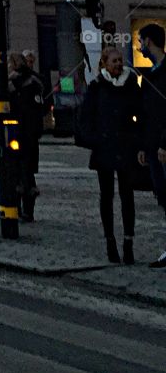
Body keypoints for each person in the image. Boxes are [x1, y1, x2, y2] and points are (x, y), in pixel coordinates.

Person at [78, 45, 142, 264]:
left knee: (127, 195)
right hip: (104, 148)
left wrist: (138, 141)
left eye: (119, 60)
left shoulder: (131, 85)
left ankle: (128, 241)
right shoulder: (96, 88)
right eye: (114, 61)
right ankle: (110, 241)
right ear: (104, 63)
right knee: (106, 196)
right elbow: (86, 117)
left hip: (126, 147)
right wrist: (94, 139)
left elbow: (140, 115)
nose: (118, 64)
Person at [137, 23, 166, 268]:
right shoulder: (149, 76)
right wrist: (144, 147)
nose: (138, 46)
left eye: (140, 41)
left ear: (148, 42)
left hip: (163, 145)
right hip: (153, 145)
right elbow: (146, 114)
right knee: (163, 196)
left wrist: (164, 143)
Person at [8, 52, 44, 220]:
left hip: (27, 131)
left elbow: (37, 107)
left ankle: (27, 209)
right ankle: (16, 208)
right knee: (15, 170)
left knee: (26, 171)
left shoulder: (31, 81)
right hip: (14, 130)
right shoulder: (7, 80)